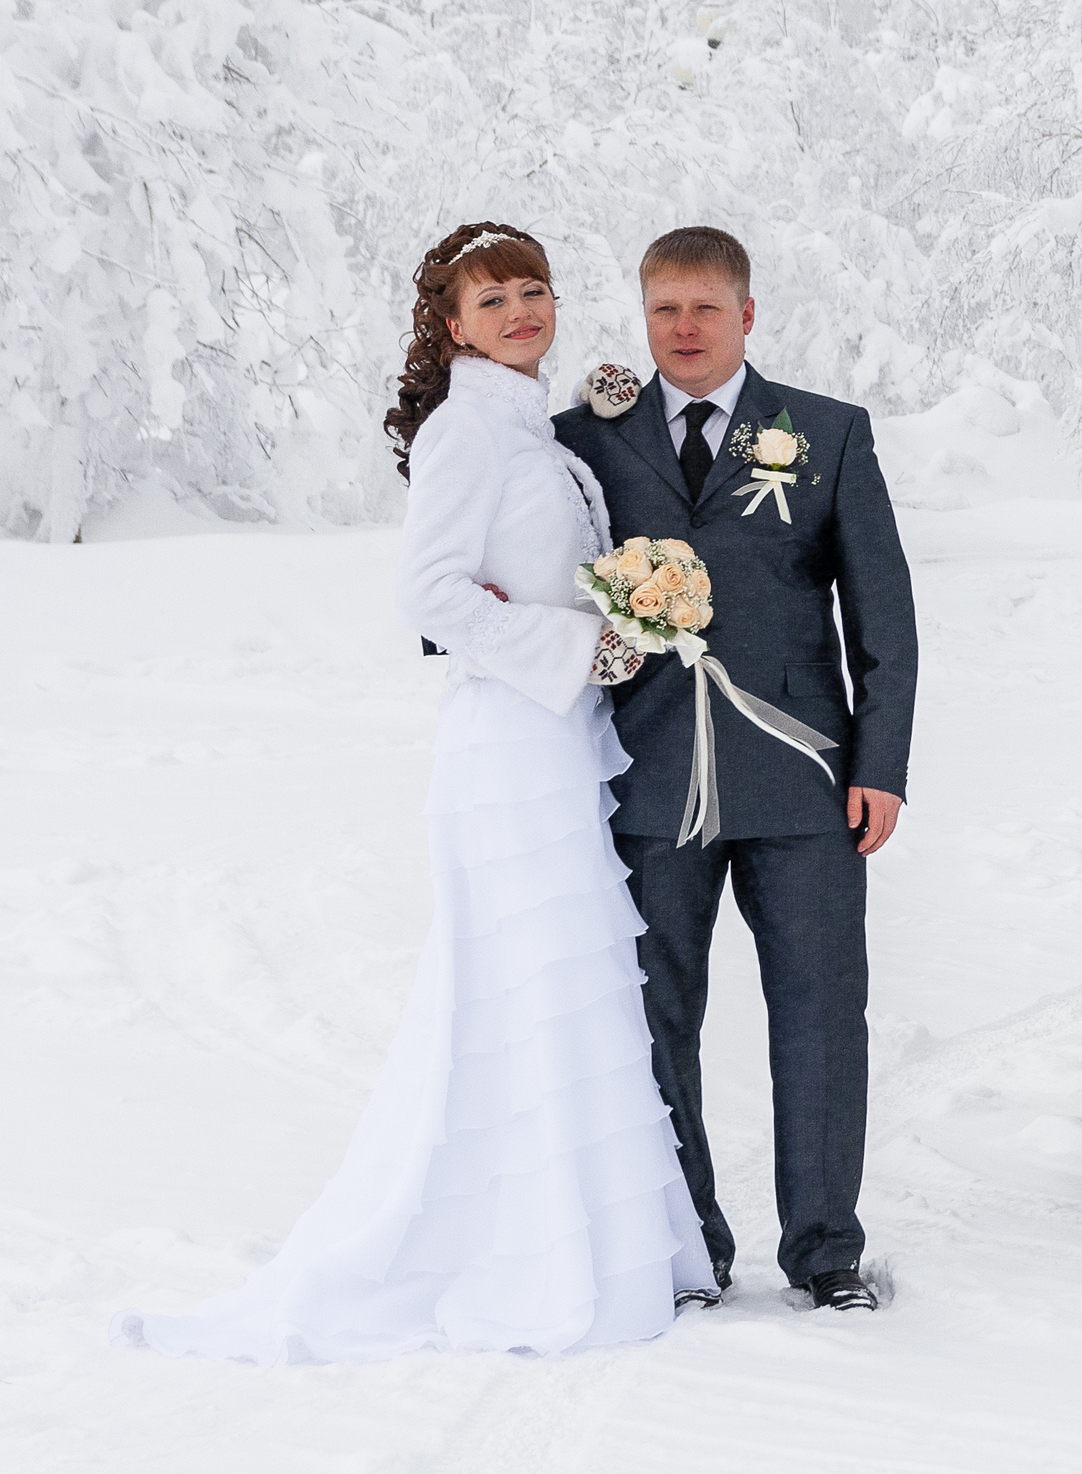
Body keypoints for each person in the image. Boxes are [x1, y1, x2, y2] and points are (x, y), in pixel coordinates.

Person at [114, 222, 715, 1364]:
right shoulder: (461, 432)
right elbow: (432, 595)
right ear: (452, 326)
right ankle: (528, 1261)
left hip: (564, 744)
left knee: (569, 989)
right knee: (524, 990)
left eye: (534, 290)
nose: (521, 312)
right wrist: (577, 646)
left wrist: (605, 425)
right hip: (509, 749)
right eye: (492, 301)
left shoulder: (528, 424)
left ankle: (603, 1249)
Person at [553, 227, 918, 1315]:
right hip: (645, 775)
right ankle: (687, 1249)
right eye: (664, 309)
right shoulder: (584, 439)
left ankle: (825, 1249)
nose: (684, 329)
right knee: (652, 1017)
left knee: (821, 1013)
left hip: (804, 781)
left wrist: (881, 764)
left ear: (747, 314)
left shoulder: (826, 432)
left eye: (705, 308)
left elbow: (885, 621)